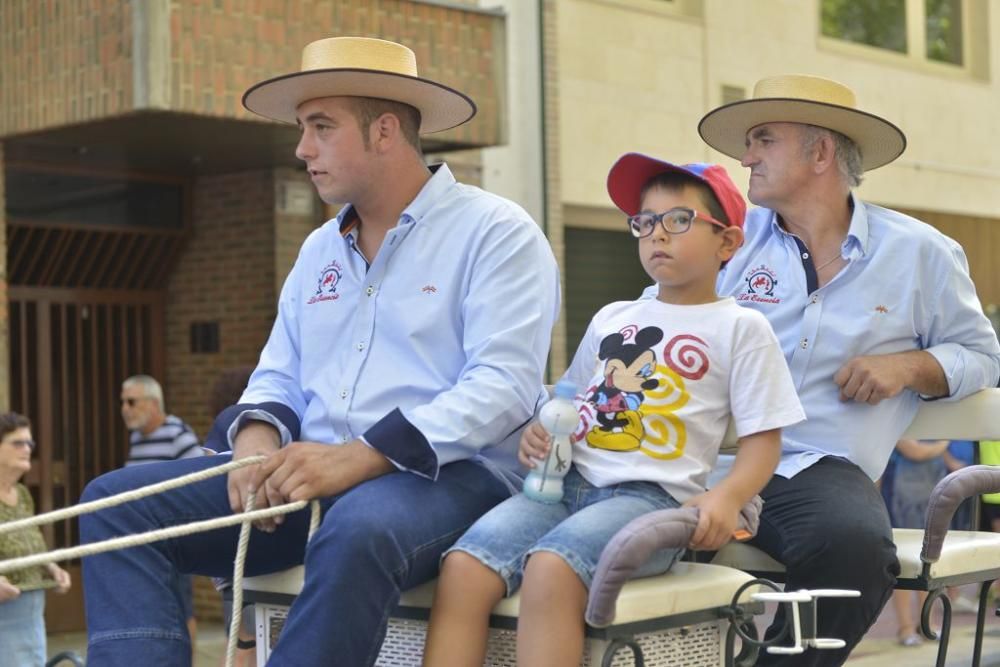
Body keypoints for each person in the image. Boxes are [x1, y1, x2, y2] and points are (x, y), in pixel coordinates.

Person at [80, 36, 559, 666]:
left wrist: (361, 457)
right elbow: (278, 372)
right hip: (315, 475)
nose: (302, 148)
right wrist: (254, 440)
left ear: (385, 130)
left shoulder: (496, 232)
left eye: (321, 127)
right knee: (113, 511)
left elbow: (503, 389)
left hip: (455, 476)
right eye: (304, 128)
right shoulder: (317, 250)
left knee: (357, 527)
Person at [423, 155, 805, 666]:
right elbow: (570, 401)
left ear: (728, 242)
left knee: (552, 568)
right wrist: (540, 432)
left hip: (653, 502)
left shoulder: (741, 328)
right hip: (561, 488)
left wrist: (726, 496)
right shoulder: (613, 317)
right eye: (644, 223)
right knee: (465, 568)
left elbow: (764, 442)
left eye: (678, 220)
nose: (656, 235)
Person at [696, 74, 1000, 665]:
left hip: (817, 466)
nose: (745, 156)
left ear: (820, 152)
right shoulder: (725, 241)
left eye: (763, 139)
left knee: (855, 546)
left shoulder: (920, 251)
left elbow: (983, 357)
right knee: (610, 535)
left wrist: (910, 366)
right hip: (703, 457)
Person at [119, 374, 202, 649]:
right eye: (123, 402)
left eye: (132, 402)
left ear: (154, 404)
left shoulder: (178, 435)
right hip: (142, 541)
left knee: (181, 609)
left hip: (171, 540)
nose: (125, 409)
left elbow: (199, 480)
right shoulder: (137, 438)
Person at [0, 412, 72, 665]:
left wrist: (52, 568)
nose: (27, 449)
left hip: (32, 616)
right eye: (18, 443)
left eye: (30, 443)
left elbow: (32, 545)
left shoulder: (22, 494)